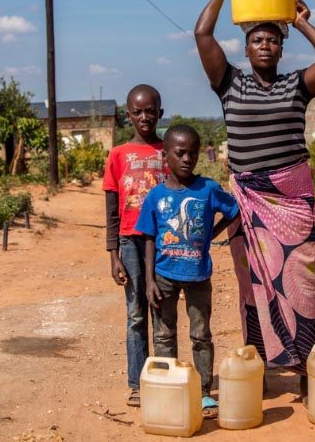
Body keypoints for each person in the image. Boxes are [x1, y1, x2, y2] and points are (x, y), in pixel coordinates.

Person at [194, 0, 315, 398]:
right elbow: (202, 32)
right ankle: (257, 368)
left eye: (273, 40)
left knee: (304, 286)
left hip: (294, 208)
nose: (264, 45)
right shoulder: (228, 83)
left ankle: (306, 371)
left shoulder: (297, 84)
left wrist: (298, 21)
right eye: (257, 40)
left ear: (281, 48)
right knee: (254, 289)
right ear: (245, 48)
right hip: (251, 208)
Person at [135, 124, 240, 419]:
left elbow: (234, 212)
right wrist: (149, 280)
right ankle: (171, 387)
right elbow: (149, 238)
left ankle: (204, 391)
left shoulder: (208, 189)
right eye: (180, 153)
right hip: (164, 276)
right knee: (164, 335)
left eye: (192, 154)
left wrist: (210, 234)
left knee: (201, 335)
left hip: (198, 276)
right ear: (166, 155)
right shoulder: (156, 196)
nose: (187, 159)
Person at [102, 84, 168, 407]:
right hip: (129, 241)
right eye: (138, 111)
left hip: (163, 242)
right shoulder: (118, 155)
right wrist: (113, 255)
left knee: (161, 308)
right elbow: (112, 211)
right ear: (128, 115)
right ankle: (138, 382)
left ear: (161, 113)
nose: (145, 117)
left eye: (151, 110)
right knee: (135, 313)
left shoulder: (167, 151)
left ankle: (163, 375)